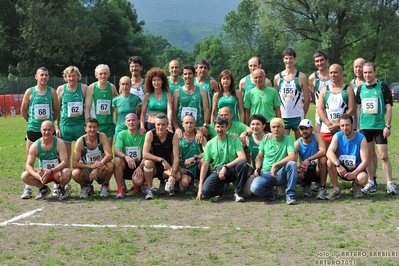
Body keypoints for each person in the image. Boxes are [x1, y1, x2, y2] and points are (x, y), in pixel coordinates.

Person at [20, 67, 60, 199]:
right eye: (41, 75)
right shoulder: (29, 92)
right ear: (36, 77)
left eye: (46, 75)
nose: (44, 77)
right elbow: (24, 111)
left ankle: (56, 185)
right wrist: (32, 123)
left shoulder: (52, 92)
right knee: (30, 159)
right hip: (33, 130)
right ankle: (29, 187)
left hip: (48, 131)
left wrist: (48, 125)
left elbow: (56, 110)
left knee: (52, 157)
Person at [356, 62, 396, 195]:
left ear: (375, 72)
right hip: (365, 127)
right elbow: (358, 108)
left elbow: (388, 106)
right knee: (369, 155)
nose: (367, 75)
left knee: (383, 155)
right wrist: (357, 126)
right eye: (365, 72)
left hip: (379, 127)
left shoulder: (382, 87)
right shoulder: (360, 89)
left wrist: (388, 125)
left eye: (369, 72)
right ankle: (371, 182)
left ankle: (390, 183)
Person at [197, 116, 248, 202]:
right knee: (205, 192)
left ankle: (238, 192)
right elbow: (205, 165)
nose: (220, 129)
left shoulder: (234, 139)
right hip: (218, 171)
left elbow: (243, 157)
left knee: (243, 165)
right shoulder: (210, 144)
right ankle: (222, 189)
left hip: (232, 169)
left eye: (222, 127)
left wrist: (226, 167)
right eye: (217, 127)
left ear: (226, 127)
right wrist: (200, 188)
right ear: (214, 127)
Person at [54, 66, 87, 195]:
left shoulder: (84, 88)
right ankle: (66, 182)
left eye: (74, 76)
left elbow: (88, 106)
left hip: (80, 126)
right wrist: (57, 127)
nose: (71, 78)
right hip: (65, 126)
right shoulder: (61, 89)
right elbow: (57, 110)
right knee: (65, 157)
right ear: (65, 77)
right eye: (69, 76)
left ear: (78, 76)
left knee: (82, 156)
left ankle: (84, 182)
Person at [250, 118, 298, 205]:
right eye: (274, 127)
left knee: (292, 164)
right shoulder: (266, 139)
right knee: (254, 188)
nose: (276, 129)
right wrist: (257, 168)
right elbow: (259, 156)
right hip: (266, 173)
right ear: (270, 129)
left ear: (283, 128)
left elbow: (292, 156)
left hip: (280, 173)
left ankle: (290, 195)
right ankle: (270, 193)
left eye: (279, 126)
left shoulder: (288, 139)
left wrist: (276, 165)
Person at [20, 120, 71, 200]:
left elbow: (65, 162)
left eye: (49, 130)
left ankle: (61, 189)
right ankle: (43, 189)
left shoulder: (59, 143)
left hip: (56, 173)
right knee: (25, 175)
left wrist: (51, 171)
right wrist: (35, 174)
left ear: (53, 130)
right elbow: (28, 165)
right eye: (44, 130)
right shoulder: (35, 145)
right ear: (41, 130)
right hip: (42, 174)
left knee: (67, 172)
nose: (46, 132)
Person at [325, 114, 369, 199]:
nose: (345, 128)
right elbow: (329, 152)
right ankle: (336, 189)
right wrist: (338, 165)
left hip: (356, 169)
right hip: (342, 168)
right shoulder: (337, 136)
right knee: (329, 161)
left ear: (352, 125)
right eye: (342, 125)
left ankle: (356, 185)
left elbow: (365, 161)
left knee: (363, 178)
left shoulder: (361, 138)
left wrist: (354, 173)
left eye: (347, 125)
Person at [71, 118, 115, 198]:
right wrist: (91, 166)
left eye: (94, 127)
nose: (92, 129)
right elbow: (74, 163)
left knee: (110, 165)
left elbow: (109, 155)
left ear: (97, 128)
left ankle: (105, 185)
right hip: (86, 171)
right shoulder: (80, 141)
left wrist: (96, 168)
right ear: (85, 128)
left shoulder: (102, 136)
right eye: (90, 127)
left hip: (100, 169)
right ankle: (84, 187)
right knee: (75, 173)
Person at [142, 113, 180, 199]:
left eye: (163, 124)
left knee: (177, 176)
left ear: (167, 125)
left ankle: (167, 184)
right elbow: (145, 154)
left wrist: (172, 175)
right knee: (147, 163)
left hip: (167, 168)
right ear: (154, 125)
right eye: (158, 124)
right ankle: (149, 189)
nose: (160, 127)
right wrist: (161, 160)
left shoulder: (173, 136)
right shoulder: (150, 134)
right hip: (154, 166)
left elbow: (176, 158)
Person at [274, 48, 310, 140]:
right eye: (286, 58)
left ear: (295, 59)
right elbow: (275, 99)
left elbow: (307, 99)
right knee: (285, 145)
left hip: (298, 116)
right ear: (283, 59)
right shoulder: (277, 77)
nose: (288, 61)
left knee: (300, 144)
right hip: (283, 116)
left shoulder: (301, 76)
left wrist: (303, 113)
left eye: (290, 58)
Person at [317, 64, 355, 146]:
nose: (333, 75)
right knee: (325, 156)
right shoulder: (324, 90)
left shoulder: (348, 90)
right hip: (327, 129)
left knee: (341, 156)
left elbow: (351, 109)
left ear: (341, 73)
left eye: (335, 72)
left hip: (342, 129)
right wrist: (329, 124)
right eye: (331, 73)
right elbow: (320, 110)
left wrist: (338, 124)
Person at [85, 64, 118, 147]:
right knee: (96, 149)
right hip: (96, 124)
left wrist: (118, 120)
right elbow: (87, 108)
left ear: (109, 74)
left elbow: (117, 105)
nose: (103, 76)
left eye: (105, 73)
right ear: (96, 75)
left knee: (108, 150)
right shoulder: (91, 87)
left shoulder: (112, 87)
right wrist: (88, 124)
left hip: (109, 124)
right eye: (100, 74)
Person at [113, 113, 146, 198]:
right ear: (125, 123)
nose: (131, 122)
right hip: (126, 164)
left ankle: (138, 185)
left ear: (138, 122)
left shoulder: (144, 135)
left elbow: (148, 153)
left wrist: (141, 167)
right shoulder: (121, 134)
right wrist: (126, 156)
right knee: (117, 160)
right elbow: (116, 151)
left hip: (139, 165)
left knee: (138, 180)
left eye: (133, 120)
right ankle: (120, 188)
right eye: (129, 120)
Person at [294, 119, 328, 200]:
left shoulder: (317, 137)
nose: (304, 131)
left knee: (323, 159)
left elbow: (323, 151)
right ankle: (306, 185)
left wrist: (308, 160)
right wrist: (299, 167)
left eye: (306, 128)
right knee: (295, 174)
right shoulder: (297, 143)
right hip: (305, 170)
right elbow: (293, 159)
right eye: (302, 129)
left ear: (312, 129)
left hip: (317, 169)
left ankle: (322, 188)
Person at [173, 65, 210, 133]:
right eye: (185, 74)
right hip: (182, 128)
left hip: (198, 127)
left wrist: (205, 125)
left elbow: (206, 109)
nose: (187, 76)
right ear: (182, 76)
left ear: (194, 75)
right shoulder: (177, 92)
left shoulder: (202, 91)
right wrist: (177, 127)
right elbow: (173, 111)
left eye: (190, 73)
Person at [178, 114, 207, 193]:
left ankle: (201, 183)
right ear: (182, 124)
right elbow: (173, 156)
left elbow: (207, 152)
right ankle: (191, 183)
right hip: (185, 167)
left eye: (191, 123)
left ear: (195, 124)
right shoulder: (178, 138)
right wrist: (179, 167)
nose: (189, 125)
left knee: (204, 162)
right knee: (184, 183)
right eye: (186, 123)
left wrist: (195, 158)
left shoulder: (201, 137)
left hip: (197, 165)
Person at [140, 67, 173, 132]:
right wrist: (142, 126)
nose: (156, 82)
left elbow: (170, 111)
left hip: (163, 125)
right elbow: (143, 113)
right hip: (151, 124)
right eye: (154, 80)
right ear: (151, 82)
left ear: (162, 81)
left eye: (158, 80)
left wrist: (169, 123)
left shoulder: (168, 94)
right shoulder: (148, 95)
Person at [242, 114, 267, 198]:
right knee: (247, 193)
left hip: (268, 170)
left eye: (258, 124)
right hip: (256, 170)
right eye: (253, 124)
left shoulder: (270, 137)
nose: (255, 127)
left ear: (263, 126)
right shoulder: (248, 139)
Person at [308, 51, 331, 133]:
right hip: (319, 113)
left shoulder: (333, 75)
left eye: (322, 60)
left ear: (327, 60)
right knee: (319, 139)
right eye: (317, 61)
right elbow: (313, 96)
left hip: (333, 112)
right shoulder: (312, 78)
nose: (319, 63)